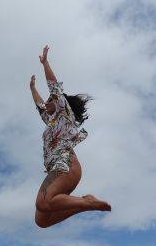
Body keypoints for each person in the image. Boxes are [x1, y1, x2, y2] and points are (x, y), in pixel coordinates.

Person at [30, 45, 111, 228]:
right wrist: (32, 89)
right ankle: (84, 204)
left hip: (66, 164)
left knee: (43, 203)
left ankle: (89, 203)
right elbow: (40, 107)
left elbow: (54, 88)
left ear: (59, 103)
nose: (47, 102)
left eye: (51, 100)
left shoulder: (64, 113)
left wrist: (45, 64)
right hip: (57, 168)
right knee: (41, 219)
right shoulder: (53, 123)